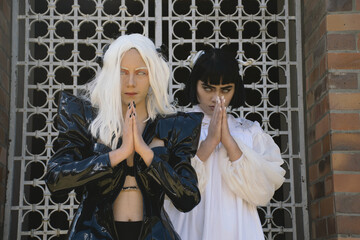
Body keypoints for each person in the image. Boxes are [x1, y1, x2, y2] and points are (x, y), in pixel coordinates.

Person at [45, 34, 203, 240]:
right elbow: (56, 179)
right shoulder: (84, 117)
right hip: (93, 234)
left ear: (152, 75)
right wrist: (117, 155)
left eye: (141, 73)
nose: (130, 82)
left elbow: (187, 198)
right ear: (110, 74)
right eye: (122, 72)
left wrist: (147, 155)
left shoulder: (172, 126)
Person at [164, 48, 286, 240]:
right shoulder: (175, 128)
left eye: (225, 89)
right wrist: (209, 143)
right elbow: (169, 187)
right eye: (208, 88)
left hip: (238, 227)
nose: (217, 98)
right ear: (194, 84)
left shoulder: (248, 131)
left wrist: (229, 141)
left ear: (235, 88)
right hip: (190, 224)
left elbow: (262, 190)